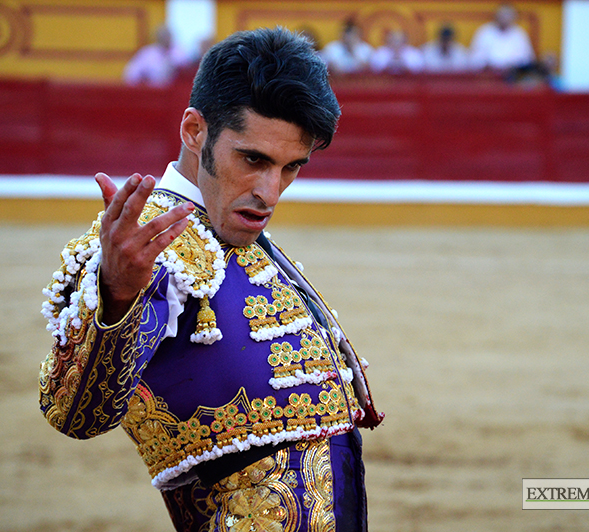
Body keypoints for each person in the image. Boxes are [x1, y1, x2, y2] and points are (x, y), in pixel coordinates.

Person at [39, 27, 383, 532]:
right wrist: (116, 293)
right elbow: (74, 413)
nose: (270, 193)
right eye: (253, 160)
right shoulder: (150, 241)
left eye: (292, 168)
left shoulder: (223, 227)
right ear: (195, 131)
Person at [123, 25, 197, 87]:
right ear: (157, 37)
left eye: (167, 36)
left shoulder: (180, 52)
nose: (165, 39)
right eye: (163, 36)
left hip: (174, 91)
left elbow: (188, 70)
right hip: (152, 91)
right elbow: (132, 73)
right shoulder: (147, 53)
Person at [469, 3, 535, 71]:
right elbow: (475, 59)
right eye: (502, 15)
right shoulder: (484, 32)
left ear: (514, 17)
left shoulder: (520, 34)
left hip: (513, 75)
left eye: (508, 15)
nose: (505, 18)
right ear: (496, 16)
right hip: (488, 75)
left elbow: (527, 60)